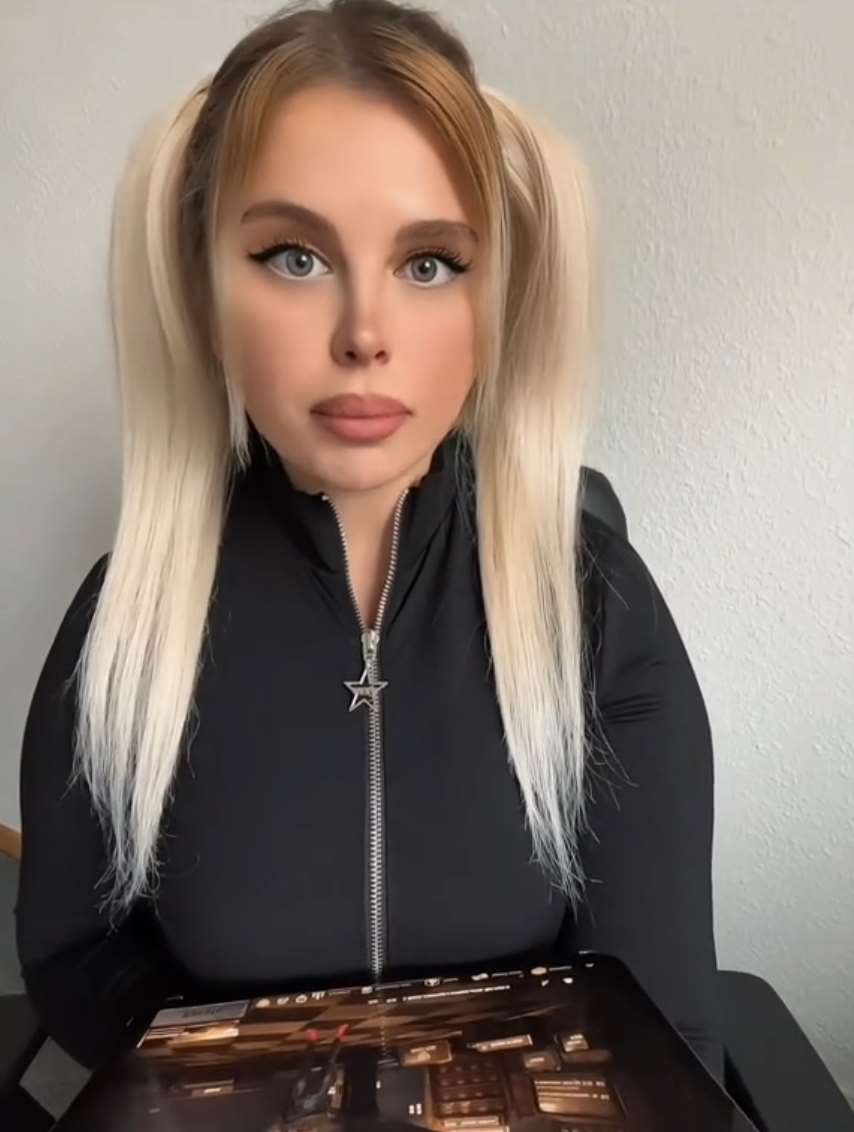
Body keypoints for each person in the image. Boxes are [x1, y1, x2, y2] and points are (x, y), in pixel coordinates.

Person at [15, 0, 723, 1089]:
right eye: (293, 256)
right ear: (204, 289)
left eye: (429, 263)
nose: (364, 333)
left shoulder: (596, 609)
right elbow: (78, 958)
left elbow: (658, 1028)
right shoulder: (129, 623)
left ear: (495, 297)